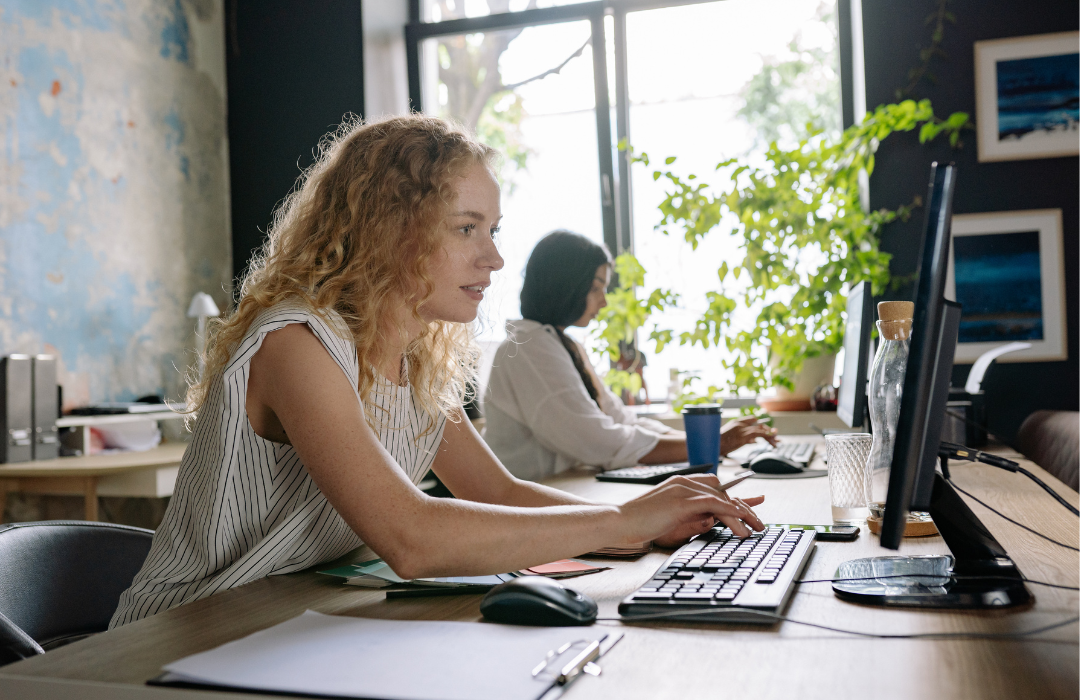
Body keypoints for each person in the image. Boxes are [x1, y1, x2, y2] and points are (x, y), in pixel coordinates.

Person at [110, 116, 765, 627]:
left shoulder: (418, 357)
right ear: (387, 229)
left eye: (494, 229)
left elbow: (500, 494)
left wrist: (642, 520)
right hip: (179, 634)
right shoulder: (296, 345)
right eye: (466, 229)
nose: (495, 259)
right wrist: (621, 523)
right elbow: (411, 537)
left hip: (285, 618)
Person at [483, 231, 776, 482]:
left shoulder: (560, 344)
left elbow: (620, 418)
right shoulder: (528, 348)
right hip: (537, 504)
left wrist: (710, 443)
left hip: (566, 489)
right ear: (566, 284)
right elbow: (599, 442)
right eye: (596, 287)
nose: (604, 300)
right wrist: (714, 443)